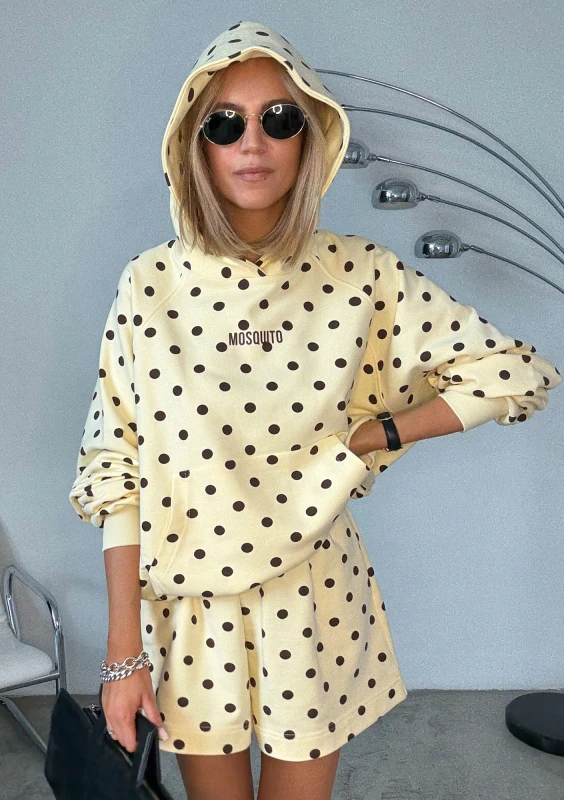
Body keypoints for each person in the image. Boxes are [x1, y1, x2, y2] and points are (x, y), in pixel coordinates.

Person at [68, 20, 562, 800]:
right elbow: (116, 468)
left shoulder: (359, 274)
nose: (252, 142)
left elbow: (516, 374)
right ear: (195, 144)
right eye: (225, 123)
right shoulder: (148, 284)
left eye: (279, 118)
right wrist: (123, 654)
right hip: (191, 610)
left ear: (310, 137)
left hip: (312, 599)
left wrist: (382, 432)